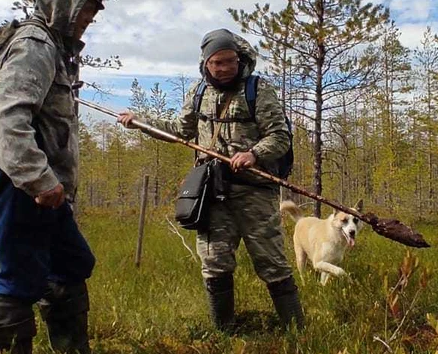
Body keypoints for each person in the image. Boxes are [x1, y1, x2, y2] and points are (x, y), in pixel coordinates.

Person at [117, 29, 304, 333]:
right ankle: (224, 333)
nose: (224, 68)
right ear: (206, 63)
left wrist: (253, 154)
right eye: (217, 63)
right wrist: (140, 122)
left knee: (272, 263)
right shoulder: (199, 92)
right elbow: (180, 129)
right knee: (215, 263)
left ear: (239, 58)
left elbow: (279, 136)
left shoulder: (258, 90)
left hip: (254, 191)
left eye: (229, 61)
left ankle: (297, 332)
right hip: (212, 194)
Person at [0, 0, 105, 354]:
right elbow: (7, 114)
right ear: (64, 4)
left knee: (71, 263)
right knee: (20, 275)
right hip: (25, 184)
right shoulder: (35, 44)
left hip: (44, 188)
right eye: (87, 10)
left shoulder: (50, 45)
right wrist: (37, 178)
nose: (89, 19)